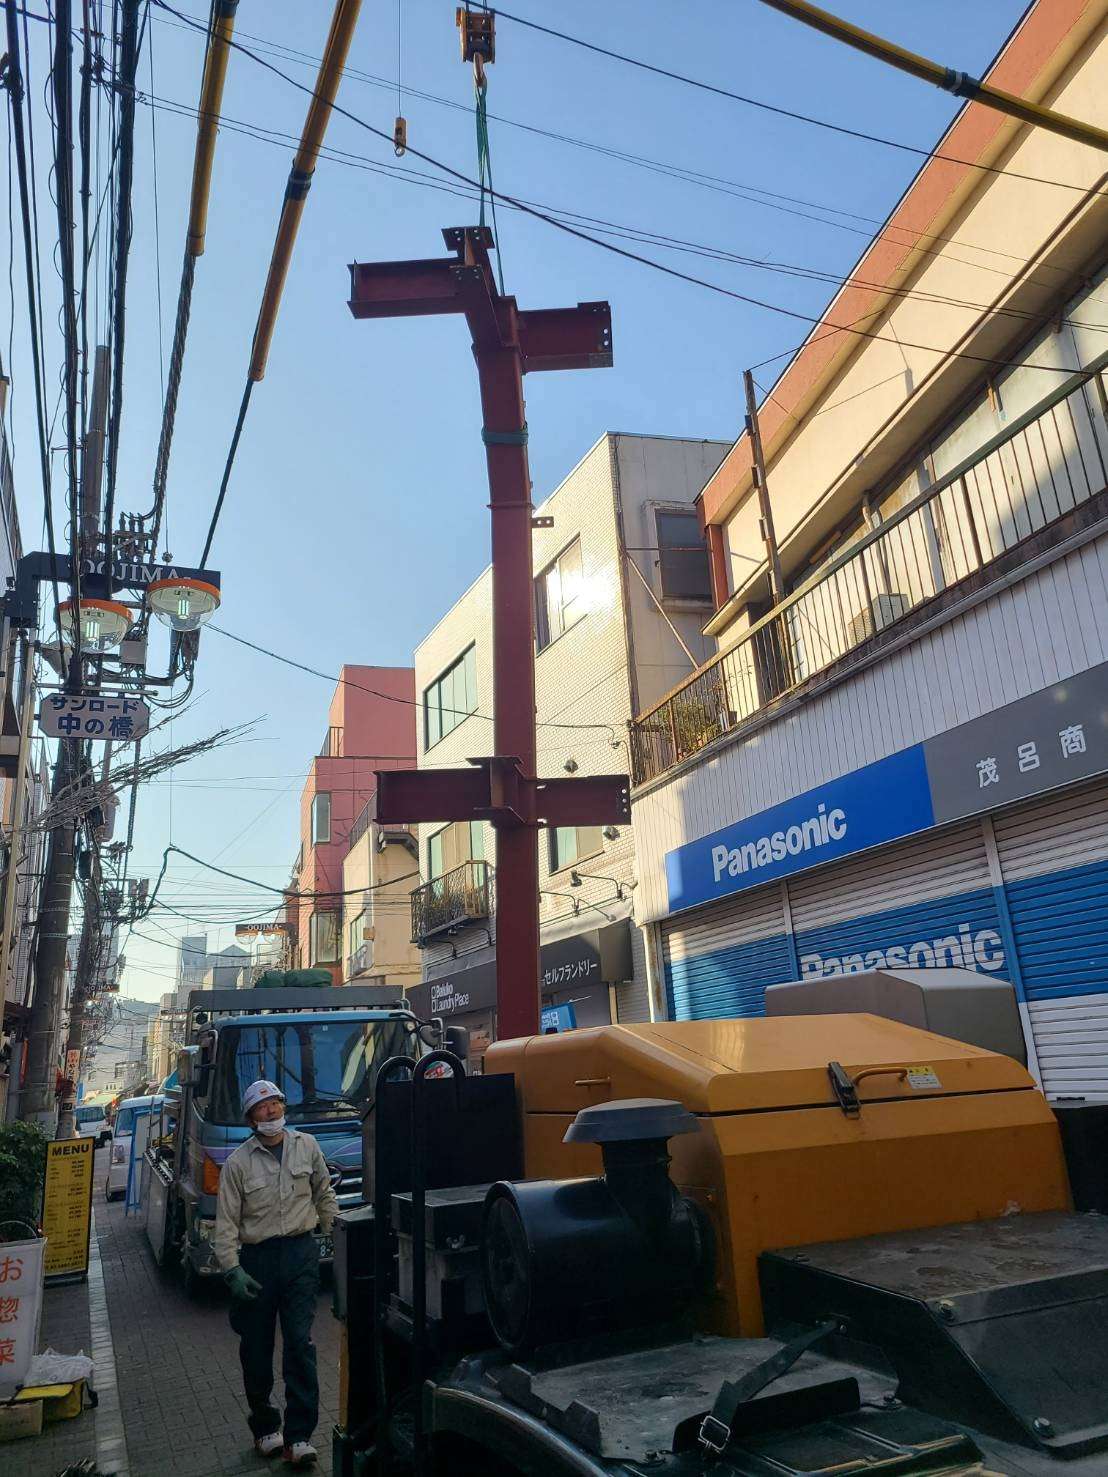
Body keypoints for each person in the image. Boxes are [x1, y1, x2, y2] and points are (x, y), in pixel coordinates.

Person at [214, 1079, 338, 1468]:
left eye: (275, 1104)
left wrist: (339, 1236)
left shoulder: (307, 1146)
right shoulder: (238, 1163)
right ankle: (266, 1428)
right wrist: (231, 1269)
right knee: (256, 1347)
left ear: (284, 1108)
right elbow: (226, 1223)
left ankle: (299, 1436)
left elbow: (324, 1195)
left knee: (301, 1344)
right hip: (257, 1261)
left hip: (300, 1255)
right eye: (262, 1108)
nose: (270, 1112)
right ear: (251, 1119)